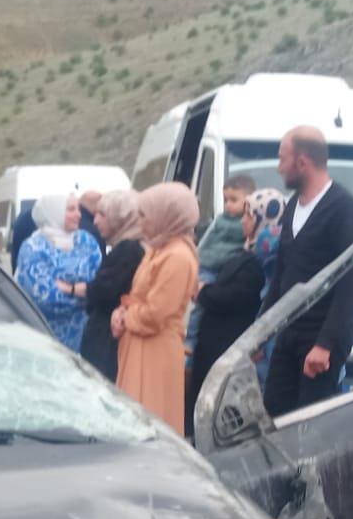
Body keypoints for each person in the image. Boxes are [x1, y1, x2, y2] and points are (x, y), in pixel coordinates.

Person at [260, 127, 353, 415]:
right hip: (289, 333)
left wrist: (325, 345)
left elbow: (351, 285)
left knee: (310, 425)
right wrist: (261, 332)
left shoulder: (343, 209)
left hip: (320, 340)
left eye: (283, 158)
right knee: (273, 416)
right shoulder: (293, 205)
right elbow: (282, 274)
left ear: (302, 161)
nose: (278, 167)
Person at [187, 187, 283, 427]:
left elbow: (234, 296)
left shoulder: (262, 262)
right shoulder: (245, 253)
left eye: (249, 216)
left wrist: (203, 292)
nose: (243, 221)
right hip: (215, 346)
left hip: (228, 345)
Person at [113, 183, 199, 431]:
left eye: (145, 216)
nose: (141, 223)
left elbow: (155, 314)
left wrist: (127, 315)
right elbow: (138, 298)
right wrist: (121, 312)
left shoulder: (178, 257)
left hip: (155, 352)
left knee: (151, 422)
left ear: (166, 215)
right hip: (141, 347)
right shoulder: (159, 249)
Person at [72, 188, 143, 382]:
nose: (95, 221)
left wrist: (75, 289)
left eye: (102, 215)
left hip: (107, 339)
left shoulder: (128, 250)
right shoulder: (130, 246)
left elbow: (103, 290)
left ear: (121, 217)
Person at [13, 194, 100, 351]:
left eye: (78, 209)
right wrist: (84, 293)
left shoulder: (87, 242)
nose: (78, 215)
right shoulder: (33, 247)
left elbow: (100, 284)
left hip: (84, 339)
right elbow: (45, 298)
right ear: (54, 212)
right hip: (45, 338)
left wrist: (70, 289)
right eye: (71, 209)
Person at [187, 175, 255, 364]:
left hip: (228, 271)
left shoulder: (250, 222)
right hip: (210, 266)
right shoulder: (221, 220)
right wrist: (198, 261)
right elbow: (207, 240)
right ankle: (190, 342)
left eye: (234, 200)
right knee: (200, 306)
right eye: (226, 200)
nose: (228, 205)